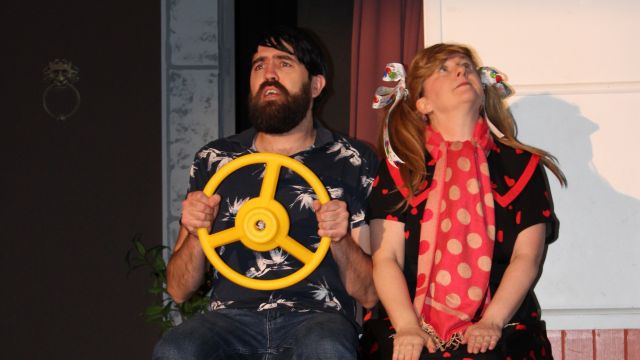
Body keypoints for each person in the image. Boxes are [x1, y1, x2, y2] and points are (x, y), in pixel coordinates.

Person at [153, 26, 379, 360]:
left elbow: (370, 294)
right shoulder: (215, 160)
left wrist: (340, 238)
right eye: (259, 65)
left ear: (316, 85)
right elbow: (178, 289)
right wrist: (198, 232)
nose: (268, 74)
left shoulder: (354, 159)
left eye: (284, 63)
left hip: (318, 317)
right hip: (230, 317)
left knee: (327, 348)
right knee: (175, 349)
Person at [359, 44, 566, 360]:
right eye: (443, 68)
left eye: (466, 66)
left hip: (504, 324)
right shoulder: (401, 170)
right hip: (409, 326)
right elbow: (386, 259)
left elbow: (527, 257)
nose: (461, 71)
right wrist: (407, 326)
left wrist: (493, 321)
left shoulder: (521, 167)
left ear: (483, 92)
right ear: (423, 103)